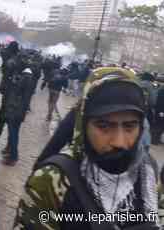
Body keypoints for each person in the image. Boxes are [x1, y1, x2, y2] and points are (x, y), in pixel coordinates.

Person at [14, 67, 163, 229]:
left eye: (129, 126)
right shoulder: (53, 179)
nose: (119, 142)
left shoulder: (148, 170)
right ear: (84, 125)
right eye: (104, 126)